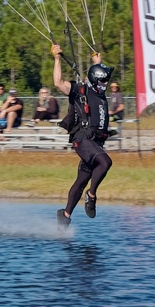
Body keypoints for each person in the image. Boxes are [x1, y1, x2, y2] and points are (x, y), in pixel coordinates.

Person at [52, 43, 112, 227]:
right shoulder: (80, 91)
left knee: (82, 179)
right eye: (103, 81)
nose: (106, 84)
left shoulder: (98, 91)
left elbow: (95, 75)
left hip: (94, 143)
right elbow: (58, 83)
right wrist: (57, 58)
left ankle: (65, 216)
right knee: (105, 162)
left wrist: (98, 63)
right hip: (83, 139)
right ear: (95, 81)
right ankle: (91, 195)